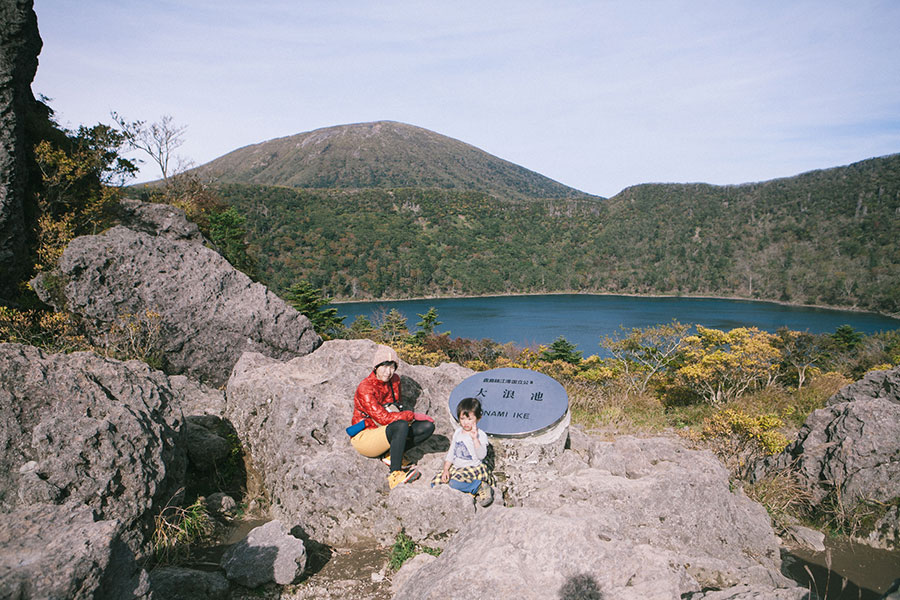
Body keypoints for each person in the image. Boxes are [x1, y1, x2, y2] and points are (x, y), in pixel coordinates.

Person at [349, 345, 435, 489]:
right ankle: (395, 474)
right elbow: (382, 418)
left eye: (392, 367)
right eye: (384, 366)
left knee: (427, 427)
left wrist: (411, 418)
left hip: (385, 432)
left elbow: (395, 407)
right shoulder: (365, 387)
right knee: (401, 424)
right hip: (366, 437)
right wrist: (412, 415)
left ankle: (391, 455)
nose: (388, 372)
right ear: (376, 367)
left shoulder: (394, 380)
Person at [431, 396, 494, 507]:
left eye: (469, 419)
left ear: (478, 418)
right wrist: (446, 469)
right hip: (457, 469)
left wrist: (475, 439)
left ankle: (480, 486)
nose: (465, 423)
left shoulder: (480, 434)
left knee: (453, 483)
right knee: (435, 483)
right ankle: (469, 491)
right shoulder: (458, 432)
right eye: (462, 419)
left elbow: (481, 455)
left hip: (473, 468)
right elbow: (452, 452)